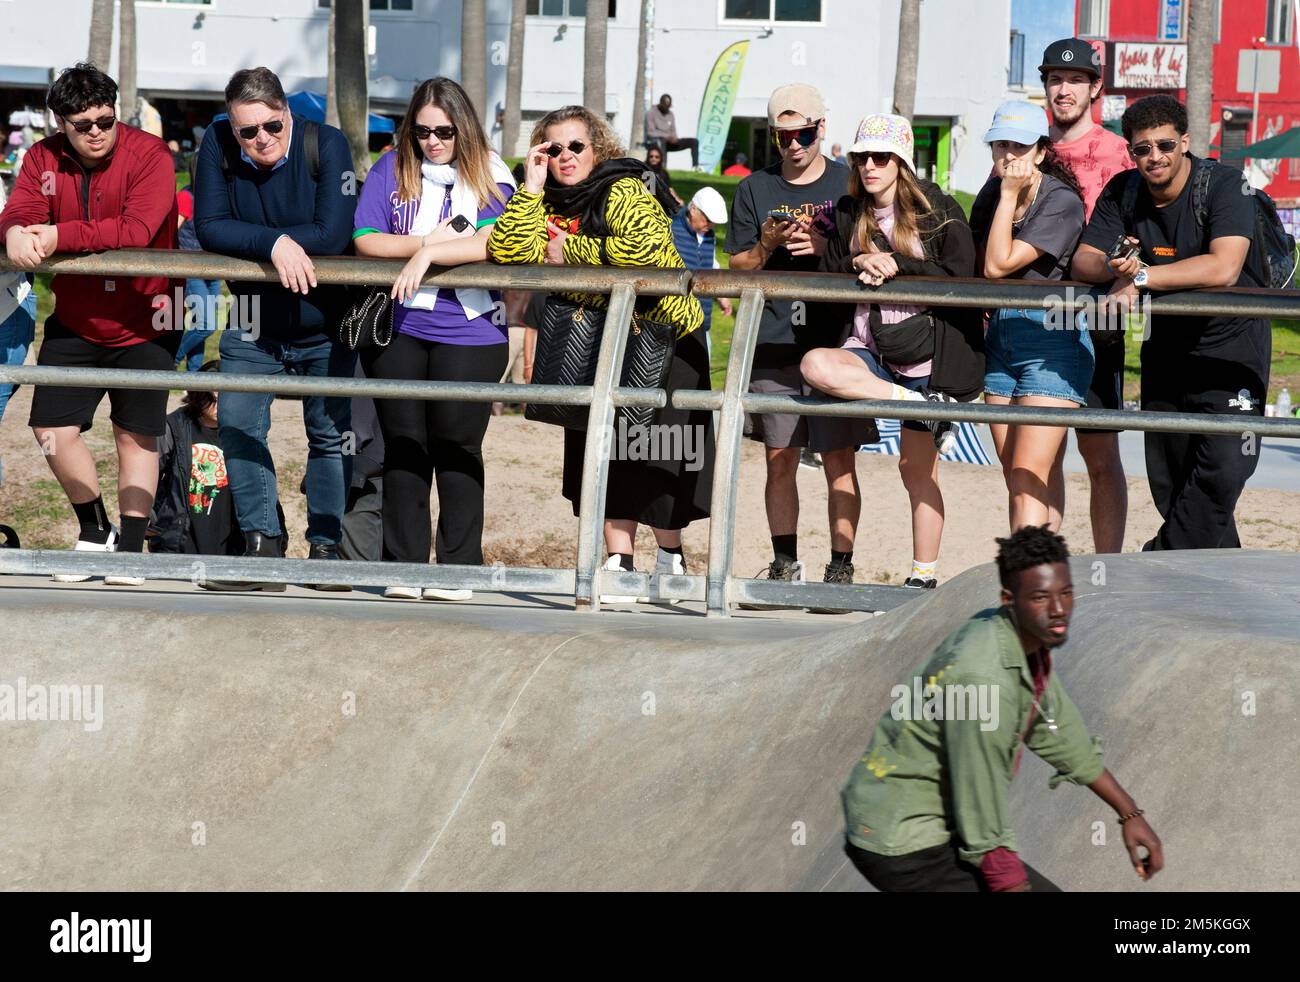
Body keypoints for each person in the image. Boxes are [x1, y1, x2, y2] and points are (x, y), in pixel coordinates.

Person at [841, 525, 1165, 892]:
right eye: (1041, 598)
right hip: (901, 838)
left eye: (1067, 594)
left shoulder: (1020, 642)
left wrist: (1129, 813)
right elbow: (979, 809)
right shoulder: (984, 682)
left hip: (941, 823)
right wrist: (1011, 885)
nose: (1059, 610)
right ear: (1009, 598)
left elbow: (1060, 732)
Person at [488, 105, 714, 601]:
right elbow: (509, 251)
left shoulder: (624, 188)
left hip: (663, 336)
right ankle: (620, 560)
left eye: (575, 146)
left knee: (659, 454)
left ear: (599, 149)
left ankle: (671, 556)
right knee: (606, 450)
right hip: (593, 342)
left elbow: (648, 254)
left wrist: (571, 252)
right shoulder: (544, 200)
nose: (565, 156)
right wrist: (529, 186)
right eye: (552, 148)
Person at [0, 63, 181, 587]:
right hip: (76, 319)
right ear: (60, 123)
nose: (98, 131)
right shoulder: (41, 156)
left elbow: (138, 230)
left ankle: (128, 547)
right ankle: (93, 527)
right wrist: (13, 232)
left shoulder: (151, 155)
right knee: (51, 431)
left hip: (149, 317)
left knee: (136, 435)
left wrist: (56, 236)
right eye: (83, 124)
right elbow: (23, 210)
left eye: (106, 119)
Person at [1072, 95, 1271, 551]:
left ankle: (1155, 559)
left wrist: (1139, 278)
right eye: (1142, 148)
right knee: (1173, 487)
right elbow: (1084, 261)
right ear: (1131, 151)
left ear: (1184, 142)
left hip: (1232, 354)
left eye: (1164, 145)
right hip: (1165, 354)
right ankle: (1219, 591)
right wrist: (1117, 266)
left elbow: (1223, 267)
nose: (1154, 157)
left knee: (1223, 472)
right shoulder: (1124, 191)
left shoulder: (1224, 184)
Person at [801, 114, 983, 593]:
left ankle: (923, 575)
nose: (870, 166)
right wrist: (861, 258)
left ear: (902, 163)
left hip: (926, 355)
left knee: (914, 469)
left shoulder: (939, 209)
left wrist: (898, 264)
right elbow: (831, 265)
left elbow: (964, 275)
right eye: (863, 157)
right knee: (815, 364)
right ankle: (915, 406)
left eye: (881, 157)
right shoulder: (848, 210)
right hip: (868, 351)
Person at [193, 67, 357, 592]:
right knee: (238, 424)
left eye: (272, 126)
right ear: (232, 127)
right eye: (249, 131)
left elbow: (334, 232)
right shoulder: (216, 142)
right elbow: (208, 226)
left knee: (329, 437)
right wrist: (275, 244)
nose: (262, 139)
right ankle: (262, 545)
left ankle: (326, 546)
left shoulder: (326, 143)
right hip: (251, 319)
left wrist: (267, 241)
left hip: (325, 321)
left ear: (287, 113)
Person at [352, 77, 516, 601]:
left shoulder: (491, 171)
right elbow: (364, 239)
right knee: (403, 446)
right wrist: (425, 242)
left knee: (457, 445)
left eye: (443, 131)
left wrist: (427, 257)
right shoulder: (391, 167)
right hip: (399, 326)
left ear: (463, 126)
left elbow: (499, 238)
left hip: (470, 330)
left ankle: (459, 567)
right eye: (421, 131)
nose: (433, 141)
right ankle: (404, 566)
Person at [724, 84, 875, 603]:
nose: (793, 145)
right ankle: (785, 562)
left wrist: (824, 246)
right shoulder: (753, 190)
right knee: (779, 457)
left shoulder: (848, 184)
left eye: (803, 134)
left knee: (839, 458)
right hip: (773, 340)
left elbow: (871, 248)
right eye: (783, 136)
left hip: (836, 343)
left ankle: (841, 568)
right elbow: (736, 266)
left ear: (821, 129)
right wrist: (767, 243)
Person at [969, 100, 1091, 533]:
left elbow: (997, 264)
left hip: (1051, 339)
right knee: (1017, 474)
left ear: (1041, 151)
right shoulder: (991, 194)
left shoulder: (1061, 202)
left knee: (1027, 472)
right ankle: (1043, 571)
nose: (1008, 156)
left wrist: (1005, 196)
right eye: (1000, 144)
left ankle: (1028, 581)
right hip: (1001, 335)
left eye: (1019, 146)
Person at [1040, 37, 1134, 554]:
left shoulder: (1120, 152)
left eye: (1075, 80)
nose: (1064, 89)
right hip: (1036, 311)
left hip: (1097, 315)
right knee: (1043, 451)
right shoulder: (1028, 146)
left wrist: (1128, 278)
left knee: (1100, 453)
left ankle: (1108, 571)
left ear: (1095, 87)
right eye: (1055, 79)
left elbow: (1139, 230)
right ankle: (1045, 570)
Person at [148, 360, 289, 558]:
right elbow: (148, 474)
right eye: (211, 397)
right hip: (179, 544)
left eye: (225, 396)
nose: (218, 403)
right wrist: (151, 522)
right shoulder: (174, 426)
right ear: (197, 394)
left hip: (233, 542)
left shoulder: (247, 431)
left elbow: (262, 487)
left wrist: (277, 538)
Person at [669, 186, 734, 350]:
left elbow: (711, 264)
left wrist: (721, 296)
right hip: (673, 322)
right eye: (708, 219)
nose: (711, 225)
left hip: (702, 321)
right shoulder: (671, 229)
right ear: (693, 209)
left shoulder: (709, 236)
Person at [174, 180, 223, 373]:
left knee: (200, 325)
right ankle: (173, 358)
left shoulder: (214, 195)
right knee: (207, 324)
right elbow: (172, 230)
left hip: (213, 269)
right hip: (191, 267)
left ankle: (194, 381)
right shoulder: (186, 197)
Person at [645, 94, 699, 169]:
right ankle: (663, 168)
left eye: (669, 107)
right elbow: (650, 132)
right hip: (656, 142)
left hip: (670, 141)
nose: (667, 109)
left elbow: (673, 130)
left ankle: (695, 167)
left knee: (694, 142)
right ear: (660, 103)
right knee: (662, 141)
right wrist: (666, 137)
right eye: (665, 106)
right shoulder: (651, 112)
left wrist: (674, 138)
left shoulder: (670, 114)